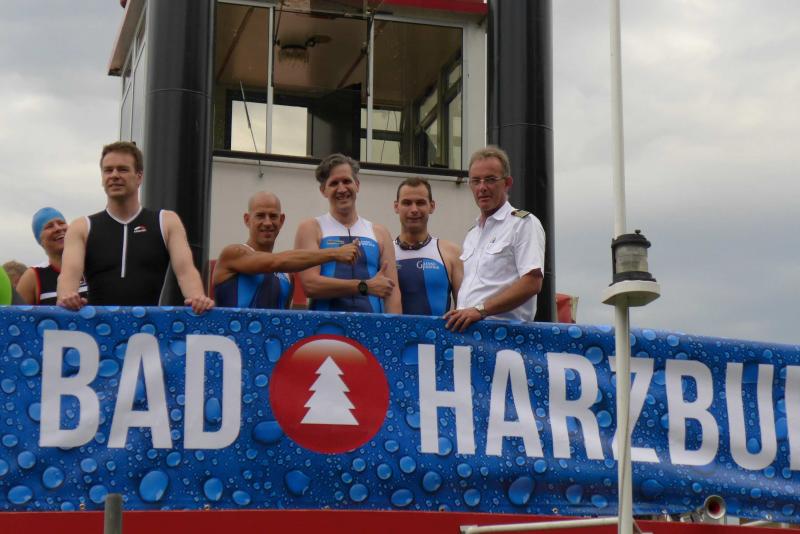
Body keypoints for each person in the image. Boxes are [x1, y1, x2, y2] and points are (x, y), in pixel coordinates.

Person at [57, 141, 214, 314]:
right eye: (108, 170)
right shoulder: (81, 227)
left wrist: (197, 298)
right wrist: (67, 297)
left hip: (147, 326)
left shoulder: (166, 222)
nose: (114, 175)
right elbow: (68, 276)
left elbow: (186, 272)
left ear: (139, 176)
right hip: (98, 327)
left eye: (122, 169)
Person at [444, 145, 545, 332]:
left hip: (504, 336)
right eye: (476, 181)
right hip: (468, 335)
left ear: (507, 183)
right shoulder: (472, 234)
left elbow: (532, 282)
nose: (482, 187)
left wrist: (480, 310)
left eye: (490, 180)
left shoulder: (523, 223)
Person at [213, 191, 360, 308]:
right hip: (231, 338)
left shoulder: (287, 276)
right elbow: (274, 262)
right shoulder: (233, 253)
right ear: (247, 219)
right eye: (260, 216)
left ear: (281, 220)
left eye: (273, 216)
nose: (267, 222)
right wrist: (335, 253)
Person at [294, 153, 401, 313]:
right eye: (334, 183)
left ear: (357, 185)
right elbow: (310, 285)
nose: (342, 189)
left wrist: (394, 328)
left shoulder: (380, 233)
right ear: (323, 190)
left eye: (346, 181)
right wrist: (364, 286)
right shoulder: (310, 228)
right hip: (326, 326)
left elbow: (392, 292)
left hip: (372, 326)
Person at [393, 177, 462, 316]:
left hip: (438, 331)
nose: (414, 209)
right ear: (396, 207)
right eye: (407, 203)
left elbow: (465, 308)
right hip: (394, 331)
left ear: (432, 206)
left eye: (420, 203)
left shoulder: (451, 253)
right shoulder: (385, 252)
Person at [16, 208, 88, 305]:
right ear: (40, 240)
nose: (58, 228)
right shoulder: (33, 276)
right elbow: (17, 313)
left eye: (61, 223)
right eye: (49, 226)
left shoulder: (95, 263)